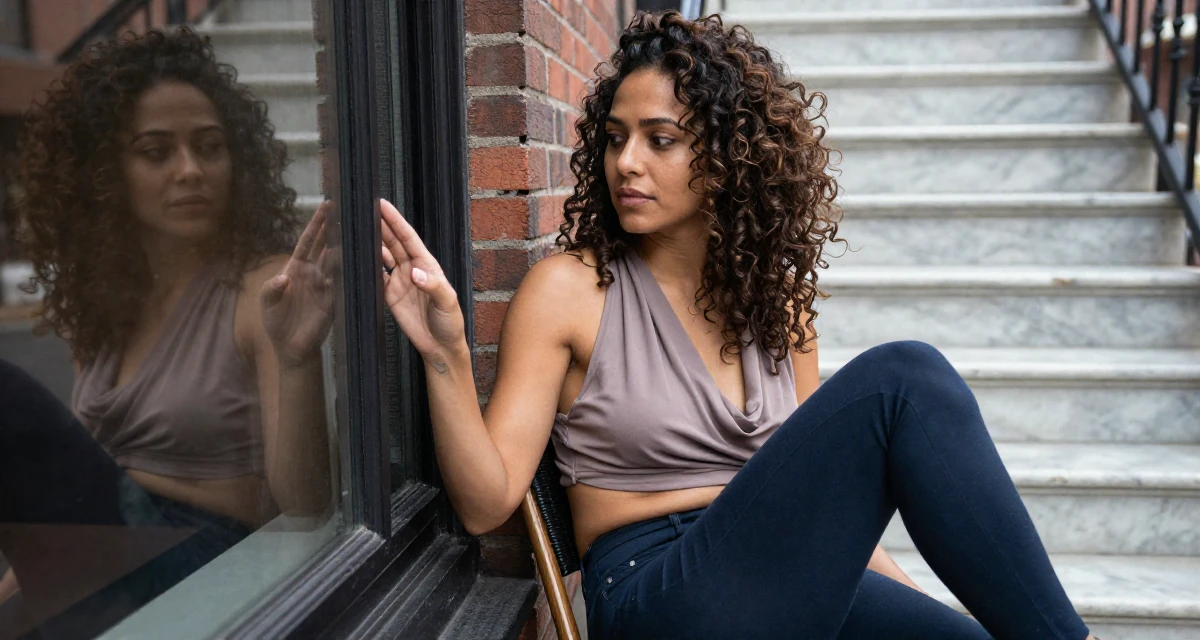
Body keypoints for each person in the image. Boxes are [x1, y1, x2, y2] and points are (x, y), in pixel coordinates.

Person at [379, 11, 1102, 640]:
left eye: (660, 140)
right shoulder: (570, 290)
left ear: (728, 158)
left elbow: (820, 506)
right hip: (658, 594)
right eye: (616, 137)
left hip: (780, 580)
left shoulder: (781, 313)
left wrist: (912, 606)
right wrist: (444, 351)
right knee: (906, 380)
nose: (625, 162)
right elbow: (485, 504)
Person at [0, 28, 334, 637]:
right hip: (114, 552)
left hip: (209, 563)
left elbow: (306, 508)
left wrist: (296, 358)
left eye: (210, 147)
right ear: (107, 172)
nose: (190, 170)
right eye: (156, 152)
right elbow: (75, 495)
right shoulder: (108, 304)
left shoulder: (262, 289)